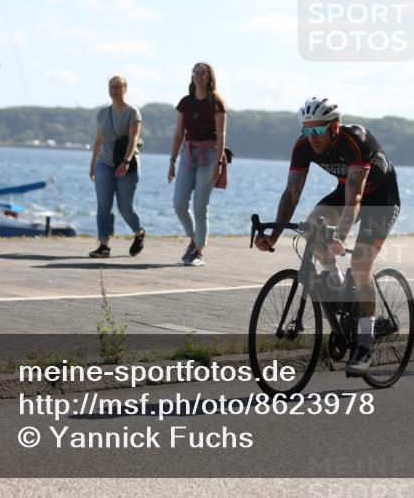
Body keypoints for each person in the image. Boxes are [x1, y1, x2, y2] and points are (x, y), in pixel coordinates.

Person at [255, 96, 400, 376]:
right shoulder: (303, 147)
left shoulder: (355, 141)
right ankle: (335, 283)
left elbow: (355, 196)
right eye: (307, 131)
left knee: (360, 264)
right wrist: (273, 236)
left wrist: (341, 238)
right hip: (346, 193)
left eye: (318, 130)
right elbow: (291, 194)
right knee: (312, 225)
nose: (312, 137)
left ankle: (365, 342)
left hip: (381, 199)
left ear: (334, 127)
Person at [168, 62, 227, 266]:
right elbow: (178, 133)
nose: (199, 76)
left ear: (210, 77)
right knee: (179, 203)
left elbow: (221, 135)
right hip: (188, 153)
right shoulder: (185, 102)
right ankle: (194, 239)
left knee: (200, 206)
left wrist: (219, 162)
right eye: (196, 73)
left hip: (210, 155)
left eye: (203, 73)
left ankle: (198, 252)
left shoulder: (216, 102)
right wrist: (172, 161)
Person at [88, 75, 145, 258]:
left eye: (118, 87)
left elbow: (133, 140)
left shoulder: (132, 112)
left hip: (126, 163)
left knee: (124, 207)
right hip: (104, 162)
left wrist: (126, 162)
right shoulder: (102, 113)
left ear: (125, 89)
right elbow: (98, 141)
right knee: (103, 205)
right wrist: (92, 165)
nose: (114, 90)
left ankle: (139, 233)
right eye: (111, 87)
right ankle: (103, 246)